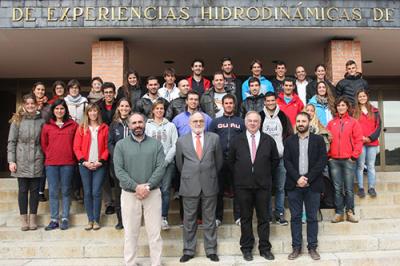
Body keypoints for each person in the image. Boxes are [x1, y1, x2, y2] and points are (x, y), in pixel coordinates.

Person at [113, 112, 165, 266]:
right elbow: (119, 171)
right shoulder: (121, 145)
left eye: (140, 122)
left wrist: (147, 186)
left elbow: (160, 168)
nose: (137, 126)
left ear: (145, 124)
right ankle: (130, 262)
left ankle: (156, 263)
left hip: (153, 193)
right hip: (130, 194)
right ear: (129, 126)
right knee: (130, 233)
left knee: (155, 233)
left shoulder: (156, 144)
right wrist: (136, 187)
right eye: (134, 123)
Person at [228, 111, 279, 262]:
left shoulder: (268, 140)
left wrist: (263, 173)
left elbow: (275, 161)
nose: (252, 123)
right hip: (243, 186)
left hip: (263, 186)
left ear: (260, 123)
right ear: (245, 123)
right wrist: (240, 174)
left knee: (264, 218)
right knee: (246, 218)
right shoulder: (237, 140)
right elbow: (230, 161)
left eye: (255, 121)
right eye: (249, 121)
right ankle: (246, 248)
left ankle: (265, 249)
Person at [176, 111, 223, 263]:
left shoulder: (214, 138)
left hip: (209, 183)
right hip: (190, 185)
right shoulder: (181, 141)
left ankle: (211, 250)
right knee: (189, 220)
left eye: (201, 121)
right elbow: (179, 164)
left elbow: (219, 162)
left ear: (205, 123)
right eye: (195, 121)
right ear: (190, 124)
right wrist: (192, 174)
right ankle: (188, 250)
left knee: (210, 219)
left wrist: (208, 174)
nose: (198, 124)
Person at [284, 112, 328, 261]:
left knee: (311, 218)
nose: (301, 123)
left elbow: (322, 162)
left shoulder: (318, 140)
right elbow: (287, 162)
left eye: (303, 121)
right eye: (298, 121)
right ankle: (296, 247)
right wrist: (298, 178)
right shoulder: (289, 141)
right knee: (295, 217)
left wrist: (307, 178)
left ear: (309, 122)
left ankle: (312, 247)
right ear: (295, 123)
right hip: (294, 185)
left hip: (313, 184)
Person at [7, 94, 45, 231]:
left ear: (36, 105)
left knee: (35, 191)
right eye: (27, 104)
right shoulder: (17, 120)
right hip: (21, 160)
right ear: (23, 105)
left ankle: (33, 218)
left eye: (32, 104)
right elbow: (11, 142)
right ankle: (24, 219)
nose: (30, 106)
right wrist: (11, 160)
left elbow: (44, 142)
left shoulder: (42, 121)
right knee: (23, 190)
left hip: (37, 159)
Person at [41, 99, 78, 231]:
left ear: (65, 110)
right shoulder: (47, 126)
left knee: (67, 191)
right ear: (53, 111)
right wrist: (51, 154)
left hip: (68, 163)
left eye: (62, 109)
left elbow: (76, 143)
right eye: (57, 109)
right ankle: (54, 219)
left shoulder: (73, 125)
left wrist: (71, 156)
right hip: (51, 164)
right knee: (53, 191)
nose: (59, 111)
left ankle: (65, 218)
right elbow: (44, 145)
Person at [209, 94, 245, 227]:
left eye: (231, 103)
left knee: (238, 189)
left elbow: (245, 141)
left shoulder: (241, 121)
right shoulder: (215, 122)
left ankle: (239, 216)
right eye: (226, 103)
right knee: (218, 189)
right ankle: (218, 217)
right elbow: (210, 140)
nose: (229, 105)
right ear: (222, 105)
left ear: (234, 105)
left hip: (236, 160)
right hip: (219, 160)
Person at [327, 97, 363, 223]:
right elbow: (327, 140)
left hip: (348, 160)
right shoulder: (332, 123)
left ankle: (350, 211)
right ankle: (339, 213)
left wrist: (354, 156)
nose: (341, 107)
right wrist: (329, 156)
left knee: (348, 188)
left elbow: (358, 141)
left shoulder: (353, 122)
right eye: (338, 105)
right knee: (337, 188)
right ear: (336, 108)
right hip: (334, 161)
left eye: (343, 105)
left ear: (347, 107)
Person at [73, 103, 109, 230]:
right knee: (87, 192)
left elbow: (107, 147)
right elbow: (76, 147)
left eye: (95, 111)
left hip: (99, 165)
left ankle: (96, 220)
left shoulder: (104, 128)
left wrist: (101, 160)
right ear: (87, 113)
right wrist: (84, 161)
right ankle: (90, 220)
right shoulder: (81, 128)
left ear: (98, 113)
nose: (93, 113)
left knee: (96, 192)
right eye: (90, 111)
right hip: (85, 165)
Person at [260, 92, 293, 225]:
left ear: (276, 101)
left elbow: (289, 134)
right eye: (268, 101)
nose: (270, 103)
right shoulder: (260, 116)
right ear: (265, 102)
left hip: (280, 158)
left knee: (280, 188)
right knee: (267, 188)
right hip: (265, 159)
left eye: (272, 100)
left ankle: (279, 214)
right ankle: (267, 215)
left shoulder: (282, 116)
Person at [145, 100, 178, 231]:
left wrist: (166, 160)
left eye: (161, 109)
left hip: (167, 163)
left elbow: (175, 144)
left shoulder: (170, 126)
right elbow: (144, 143)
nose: (159, 111)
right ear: (153, 110)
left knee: (165, 190)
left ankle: (163, 217)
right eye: (157, 108)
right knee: (153, 191)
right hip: (151, 164)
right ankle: (152, 218)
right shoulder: (147, 126)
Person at [108, 97, 132, 230]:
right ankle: (120, 220)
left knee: (131, 191)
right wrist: (117, 155)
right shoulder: (113, 124)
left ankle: (132, 220)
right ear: (118, 108)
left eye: (126, 106)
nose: (124, 108)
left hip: (133, 163)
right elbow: (110, 143)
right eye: (122, 106)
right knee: (119, 192)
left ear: (130, 108)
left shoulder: (134, 122)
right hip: (117, 164)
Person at [353, 89, 381, 198]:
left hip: (372, 142)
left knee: (370, 165)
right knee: (360, 165)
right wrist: (361, 138)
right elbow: (353, 127)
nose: (362, 98)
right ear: (357, 98)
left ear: (367, 97)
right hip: (360, 142)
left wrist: (369, 138)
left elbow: (378, 127)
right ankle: (360, 188)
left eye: (364, 96)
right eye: (360, 96)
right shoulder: (354, 111)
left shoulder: (375, 111)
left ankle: (371, 188)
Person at [96, 82, 118, 215]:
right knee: (104, 175)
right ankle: (109, 203)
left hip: (116, 142)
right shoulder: (98, 106)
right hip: (101, 143)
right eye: (106, 92)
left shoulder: (119, 104)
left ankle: (118, 201)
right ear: (103, 94)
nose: (108, 95)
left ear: (114, 93)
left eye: (111, 92)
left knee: (116, 174)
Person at [31, 82, 50, 202]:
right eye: (38, 89)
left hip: (44, 139)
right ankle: (32, 190)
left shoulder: (48, 106)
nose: (40, 92)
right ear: (34, 91)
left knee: (43, 167)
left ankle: (40, 191)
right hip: (31, 140)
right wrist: (36, 109)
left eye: (42, 90)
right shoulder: (29, 104)